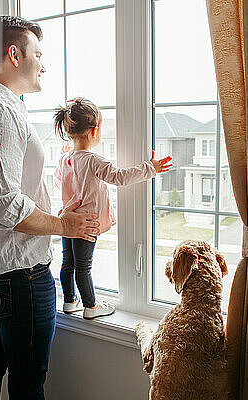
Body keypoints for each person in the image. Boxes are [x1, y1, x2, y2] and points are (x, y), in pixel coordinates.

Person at [0, 16, 100, 399]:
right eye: (38, 53)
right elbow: (5, 206)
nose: (44, 63)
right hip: (18, 274)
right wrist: (65, 226)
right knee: (27, 383)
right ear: (14, 55)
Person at [53, 98, 172, 319]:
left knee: (68, 263)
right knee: (83, 267)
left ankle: (70, 302)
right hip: (87, 224)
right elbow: (119, 177)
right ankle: (91, 306)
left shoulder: (64, 159)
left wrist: (67, 156)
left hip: (67, 222)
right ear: (94, 131)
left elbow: (58, 182)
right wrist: (150, 168)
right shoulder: (93, 160)